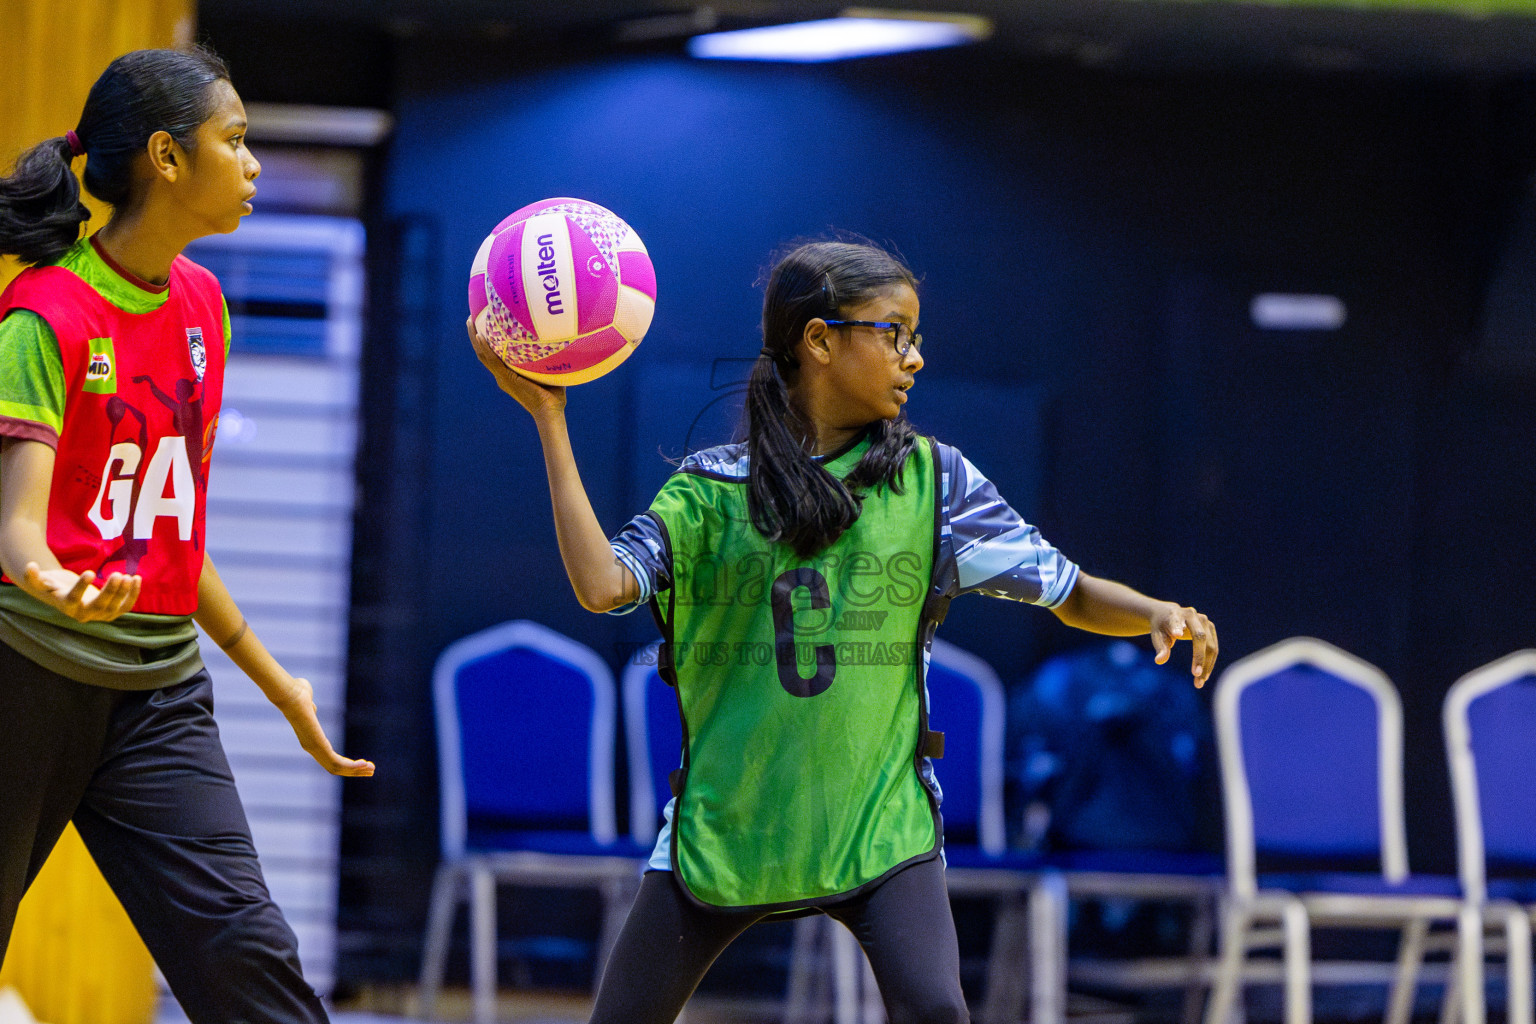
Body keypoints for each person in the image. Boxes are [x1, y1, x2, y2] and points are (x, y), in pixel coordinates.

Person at [470, 238, 1217, 1024]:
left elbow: (1068, 591)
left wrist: (1154, 613)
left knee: (936, 1010)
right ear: (819, 340)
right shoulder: (708, 491)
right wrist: (551, 421)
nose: (914, 357)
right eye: (893, 332)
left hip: (881, 830)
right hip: (726, 828)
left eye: (916, 337)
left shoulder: (934, 481)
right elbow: (601, 586)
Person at [0, 47, 372, 1022]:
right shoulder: (43, 318)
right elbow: (17, 533)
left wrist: (277, 678)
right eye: (236, 141)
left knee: (250, 958)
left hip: (156, 691)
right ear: (167, 158)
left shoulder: (204, 308)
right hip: (24, 673)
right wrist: (58, 584)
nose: (252, 163)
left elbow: (173, 535)